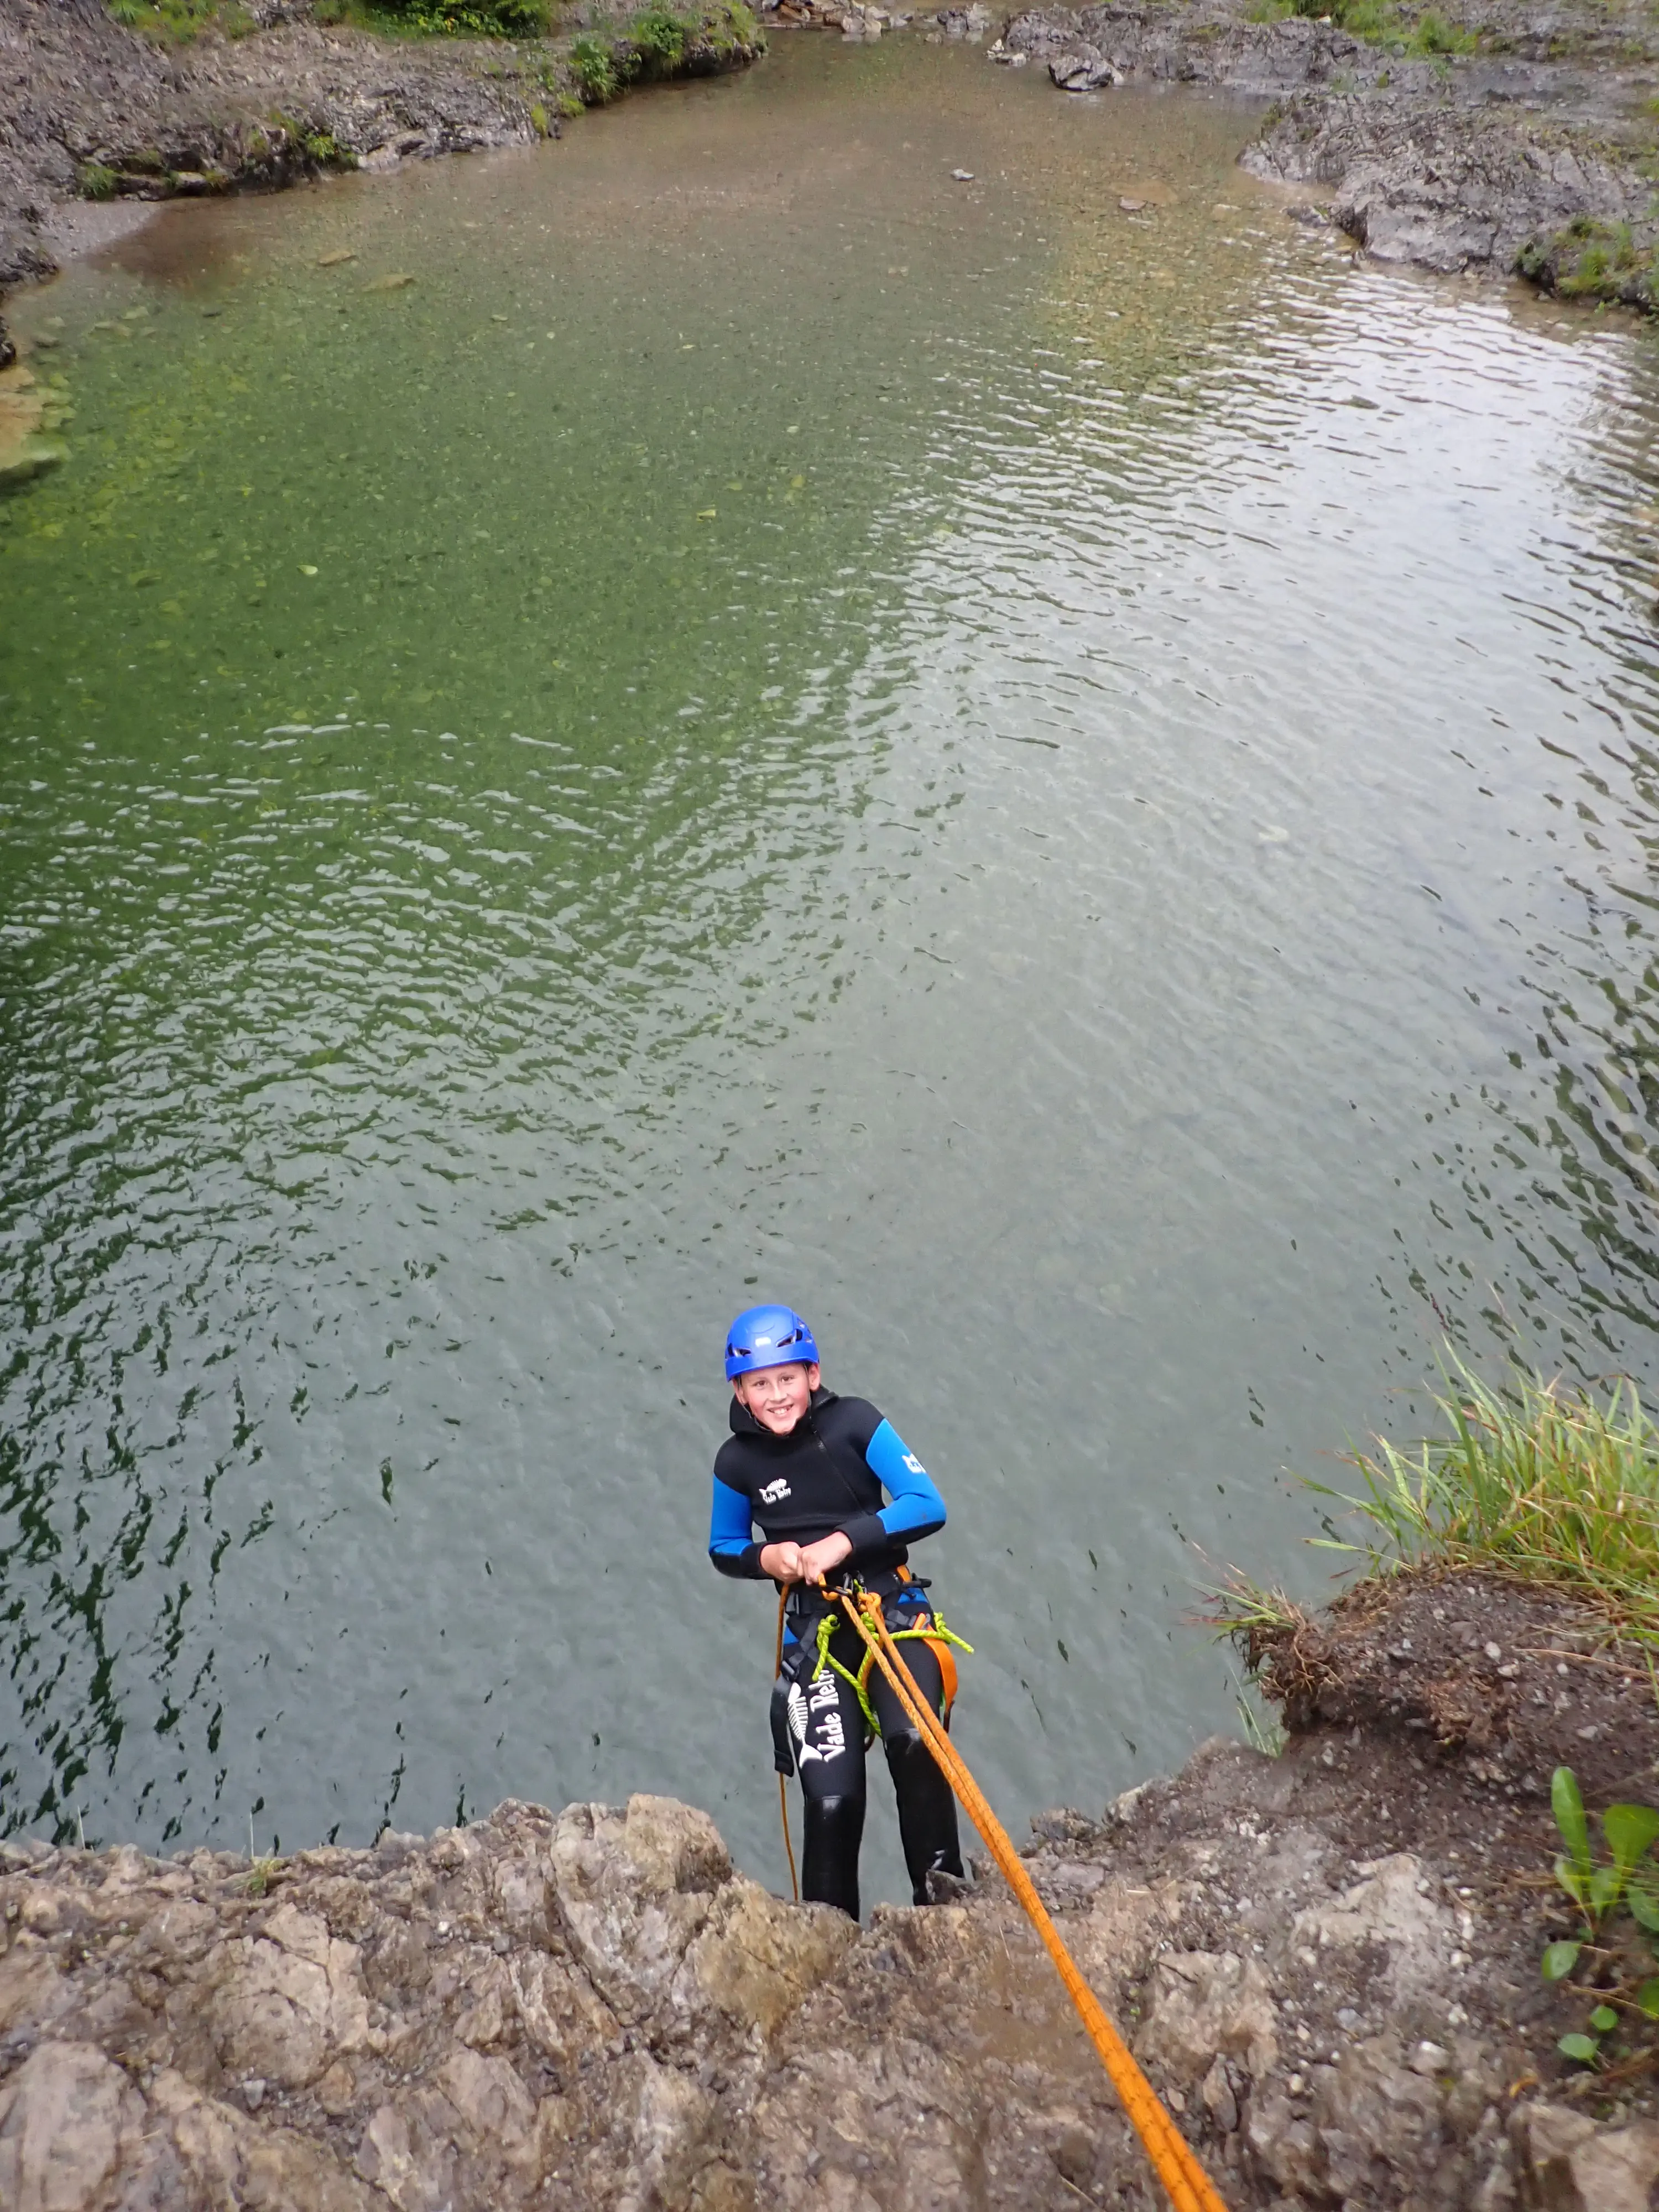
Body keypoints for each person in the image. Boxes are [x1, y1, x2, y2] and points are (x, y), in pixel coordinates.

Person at [706, 1302, 968, 1921]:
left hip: (888, 1609)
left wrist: (841, 1542)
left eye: (788, 1378)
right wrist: (767, 1558)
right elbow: (724, 1546)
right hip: (815, 1634)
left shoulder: (856, 1422)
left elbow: (925, 1502)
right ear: (740, 1393)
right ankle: (830, 1939)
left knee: (915, 1742)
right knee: (831, 1804)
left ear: (813, 1374)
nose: (777, 1395)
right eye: (760, 1384)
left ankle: (945, 1912)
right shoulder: (735, 1464)